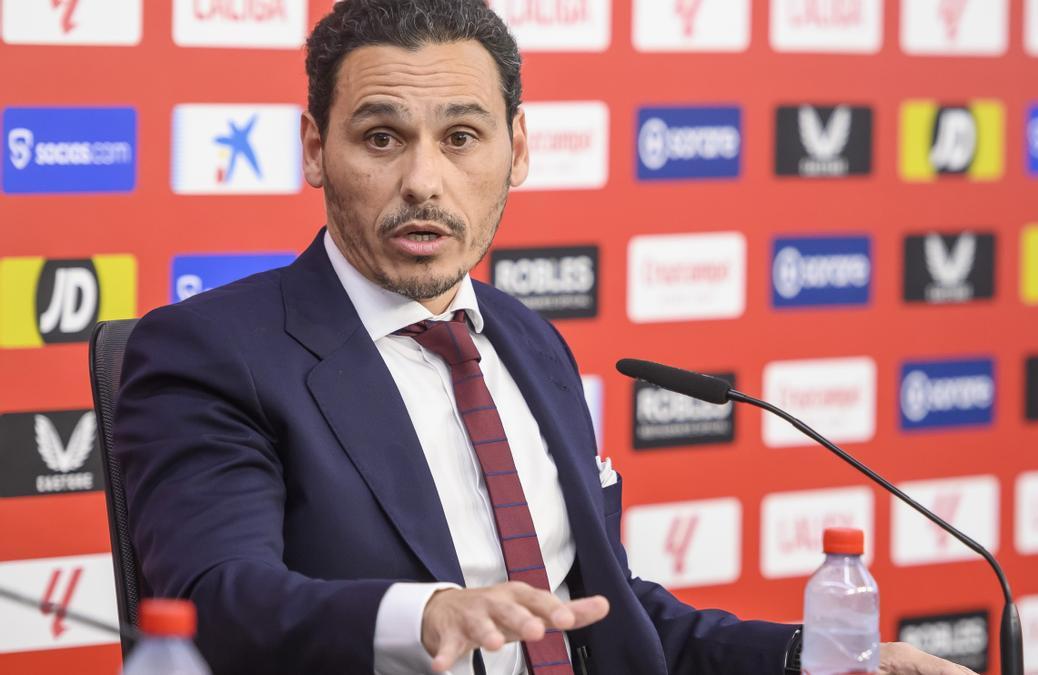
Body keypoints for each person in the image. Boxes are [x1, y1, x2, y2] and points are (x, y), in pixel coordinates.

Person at [114, 1, 975, 674]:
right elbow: (213, 604)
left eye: (461, 137)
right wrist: (425, 615)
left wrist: (802, 658)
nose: (423, 180)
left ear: (516, 150)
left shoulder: (527, 342)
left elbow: (603, 611)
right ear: (315, 148)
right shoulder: (213, 353)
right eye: (382, 138)